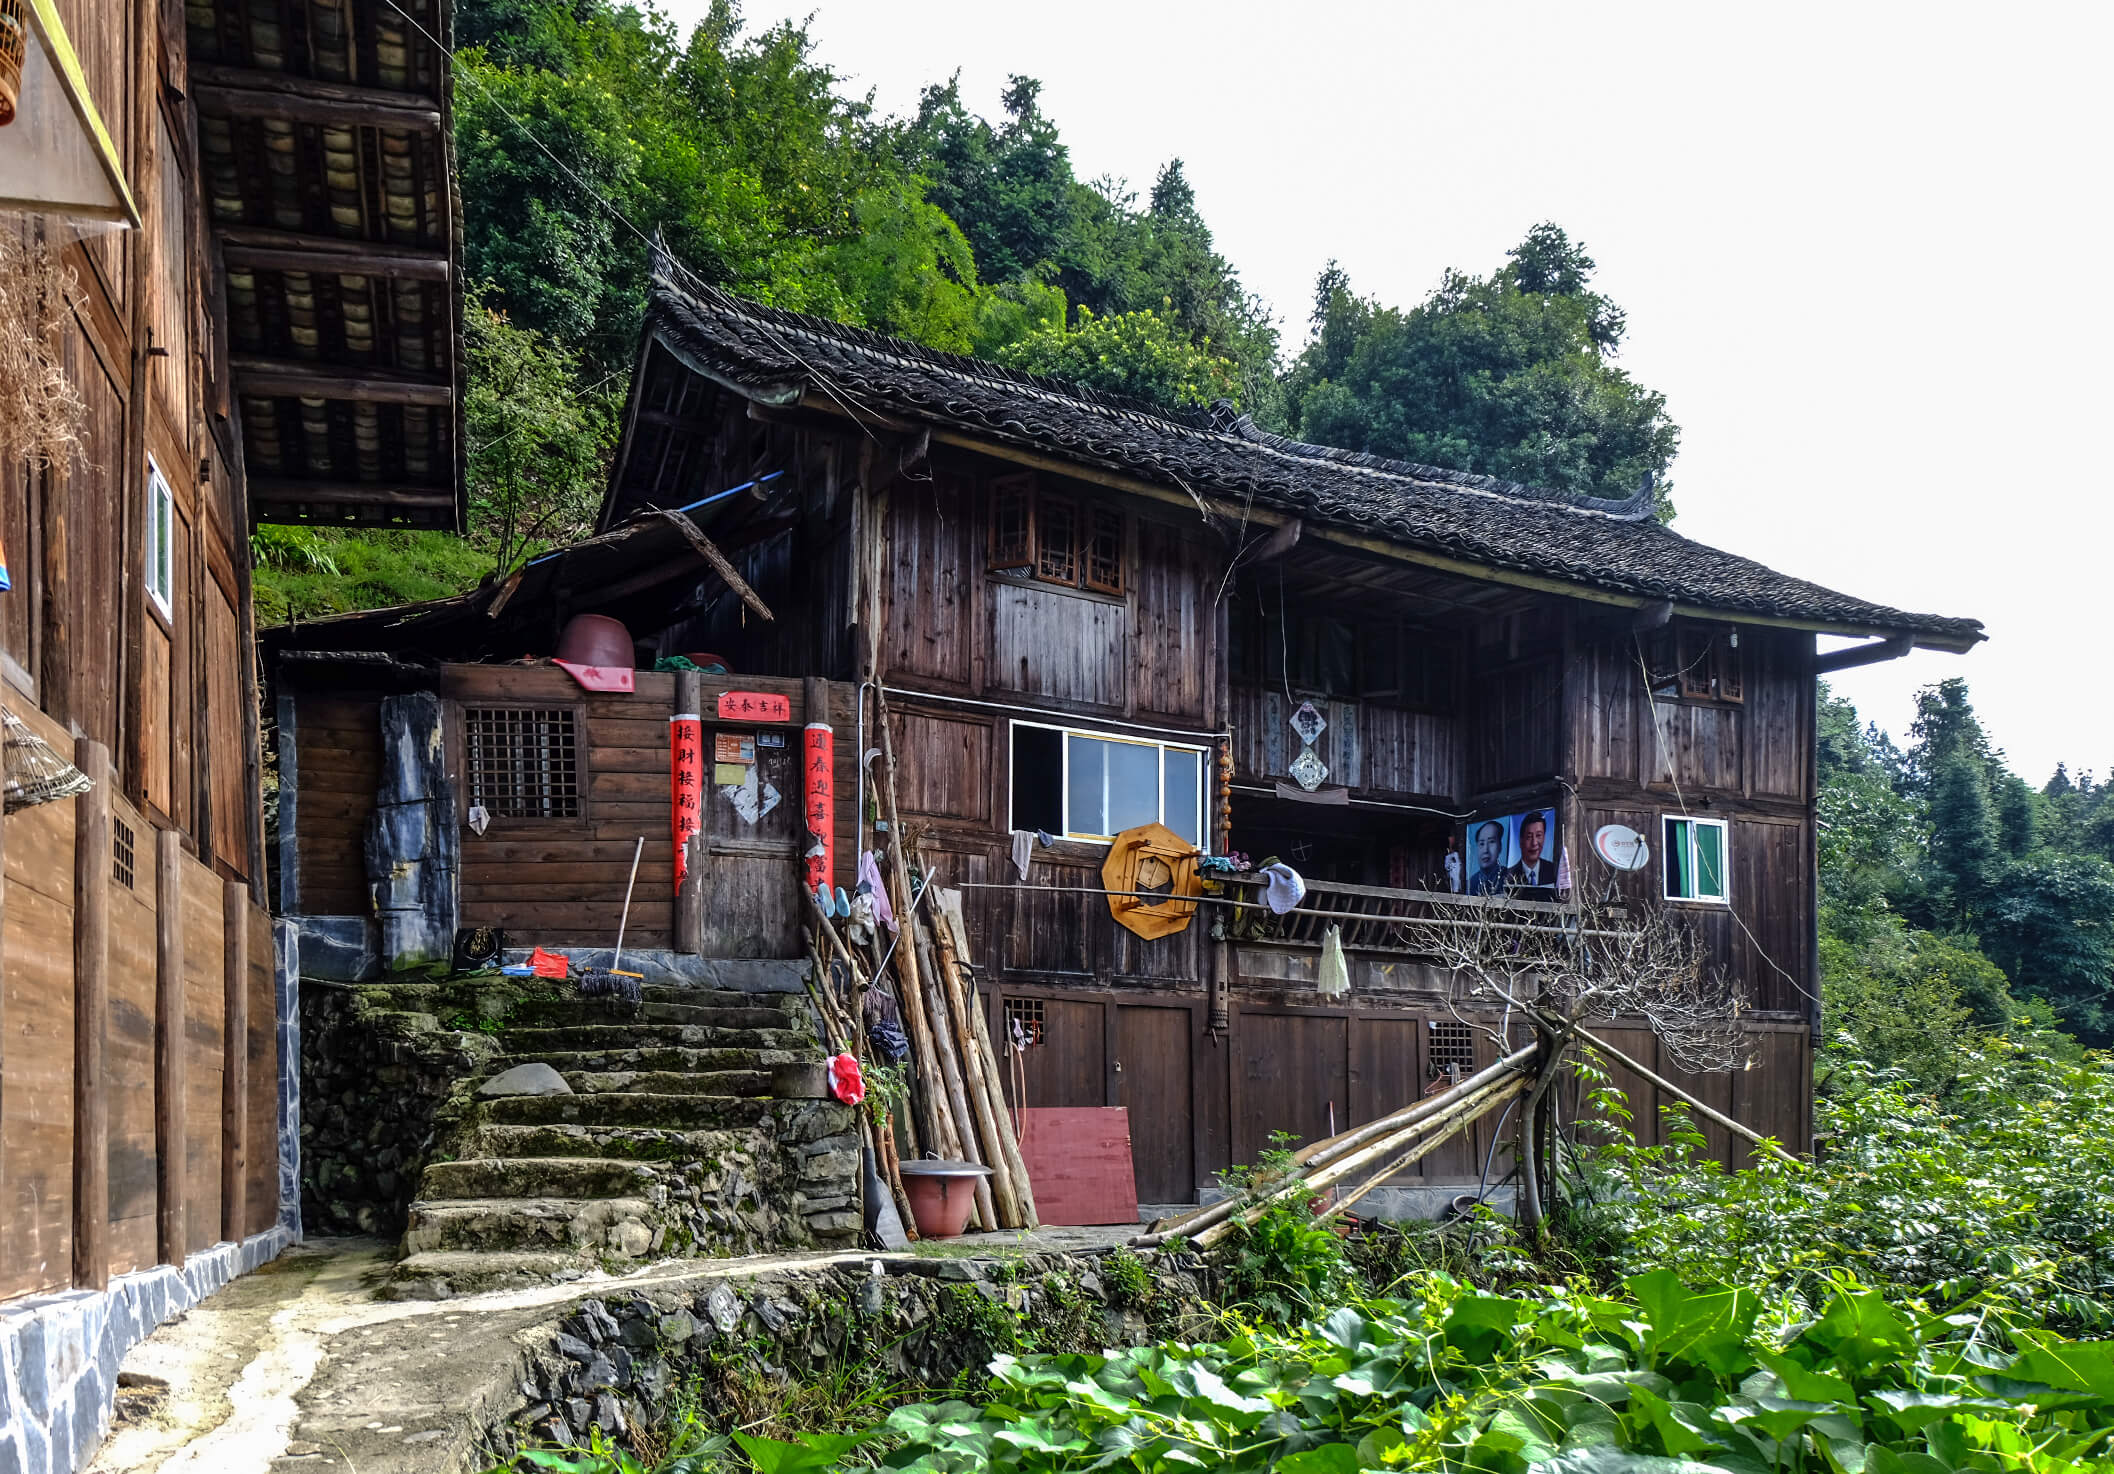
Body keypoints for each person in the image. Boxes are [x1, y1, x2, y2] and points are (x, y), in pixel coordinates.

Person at [1506, 812, 1559, 893]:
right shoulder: (1509, 874)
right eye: (1529, 837)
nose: (1534, 843)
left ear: (1544, 837)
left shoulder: (1553, 870)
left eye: (1538, 835)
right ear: (1521, 841)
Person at [1465, 820, 1508, 896]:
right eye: (1481, 843)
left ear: (1500, 847)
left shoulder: (1508, 875)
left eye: (1491, 842)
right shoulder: (1471, 882)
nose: (1485, 850)